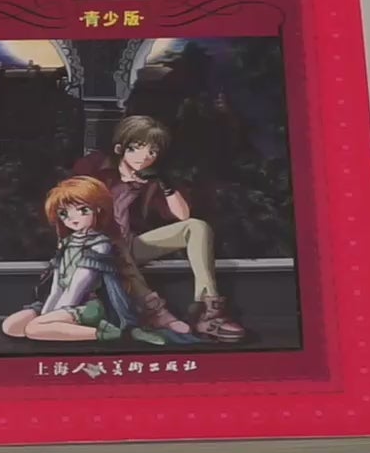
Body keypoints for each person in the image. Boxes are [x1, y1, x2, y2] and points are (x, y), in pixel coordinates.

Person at [71, 116, 248, 342]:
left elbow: (183, 216)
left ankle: (208, 310)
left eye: (152, 152)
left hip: (130, 245)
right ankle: (156, 313)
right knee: (113, 244)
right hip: (92, 247)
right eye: (136, 148)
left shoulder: (151, 179)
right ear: (120, 148)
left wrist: (164, 183)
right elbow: (69, 204)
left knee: (196, 227)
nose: (144, 156)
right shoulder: (94, 167)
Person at [1, 177, 166, 345]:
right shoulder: (67, 243)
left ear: (98, 209)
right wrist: (47, 313)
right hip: (63, 301)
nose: (72, 218)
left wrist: (51, 317)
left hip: (89, 306)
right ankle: (56, 327)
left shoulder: (100, 244)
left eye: (82, 210)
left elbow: (78, 286)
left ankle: (107, 333)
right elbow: (57, 286)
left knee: (33, 329)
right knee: (12, 327)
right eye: (64, 213)